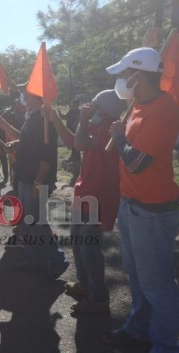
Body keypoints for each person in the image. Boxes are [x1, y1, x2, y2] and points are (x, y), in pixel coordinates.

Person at [103, 47, 179, 352]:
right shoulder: (138, 103)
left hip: (151, 211)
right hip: (132, 205)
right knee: (137, 278)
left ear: (138, 75)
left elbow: (137, 162)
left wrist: (120, 137)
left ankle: (165, 345)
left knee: (157, 284)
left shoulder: (163, 109)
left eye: (125, 74)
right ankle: (138, 328)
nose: (122, 79)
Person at [43, 90, 124, 314]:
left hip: (98, 195)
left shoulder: (111, 128)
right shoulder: (96, 125)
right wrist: (55, 118)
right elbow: (72, 140)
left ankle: (98, 297)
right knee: (78, 242)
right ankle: (84, 284)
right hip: (84, 191)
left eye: (94, 105)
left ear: (105, 109)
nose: (90, 107)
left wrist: (82, 119)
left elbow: (79, 143)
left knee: (89, 249)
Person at [0, 92, 69, 280]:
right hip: (25, 176)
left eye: (28, 97)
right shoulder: (33, 118)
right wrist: (14, 140)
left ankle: (57, 260)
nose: (25, 100)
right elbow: (27, 139)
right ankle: (32, 259)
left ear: (39, 98)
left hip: (36, 179)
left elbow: (48, 153)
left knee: (37, 223)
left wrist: (39, 179)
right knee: (28, 223)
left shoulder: (46, 120)